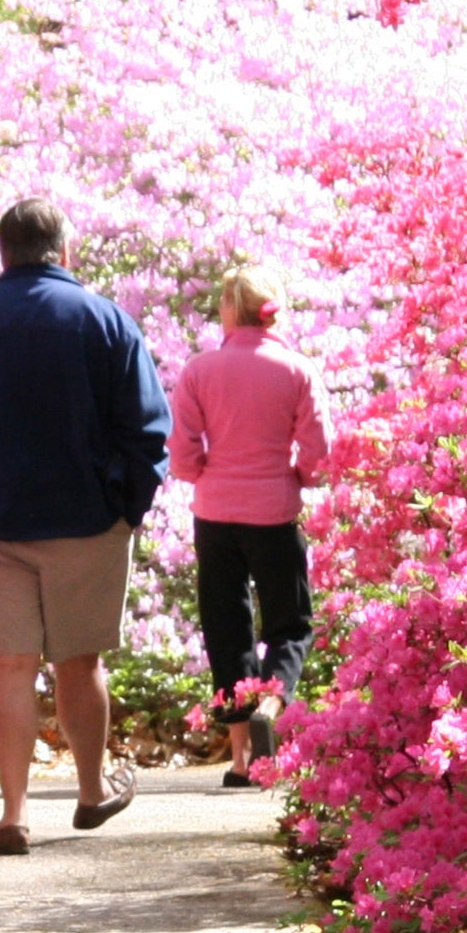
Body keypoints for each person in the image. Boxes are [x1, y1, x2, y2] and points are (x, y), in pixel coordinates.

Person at [0, 198, 173, 855]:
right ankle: (89, 791)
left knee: (10, 667)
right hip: (85, 519)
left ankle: (13, 814)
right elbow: (146, 427)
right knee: (80, 662)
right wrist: (126, 507)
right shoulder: (105, 321)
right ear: (65, 249)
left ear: (3, 253)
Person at [167, 266, 327, 789]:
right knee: (290, 625)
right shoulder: (296, 370)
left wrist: (202, 473)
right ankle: (275, 698)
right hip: (275, 514)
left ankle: (241, 761)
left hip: (215, 515)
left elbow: (184, 453)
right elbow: (318, 454)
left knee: (227, 629)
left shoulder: (199, 369)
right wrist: (298, 478)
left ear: (228, 311)